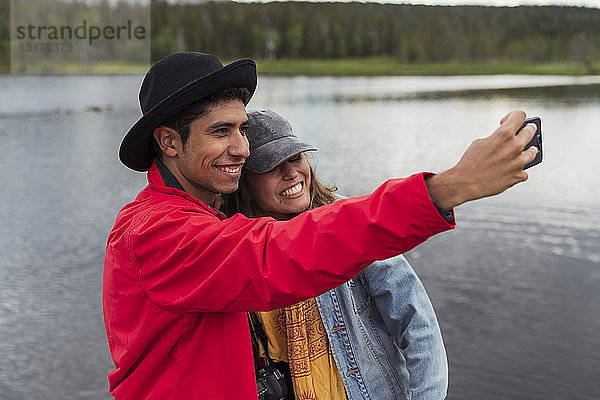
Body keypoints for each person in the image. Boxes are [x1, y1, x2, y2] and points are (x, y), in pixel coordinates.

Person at [102, 51, 538, 399]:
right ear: (169, 142)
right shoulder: (153, 233)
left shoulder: (216, 217)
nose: (240, 148)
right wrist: (447, 188)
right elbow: (278, 254)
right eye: (220, 132)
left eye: (242, 130)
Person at [223, 109, 449, 400]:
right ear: (246, 182)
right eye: (271, 166)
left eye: (295, 157)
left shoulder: (349, 222)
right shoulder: (236, 245)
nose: (291, 173)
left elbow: (417, 323)